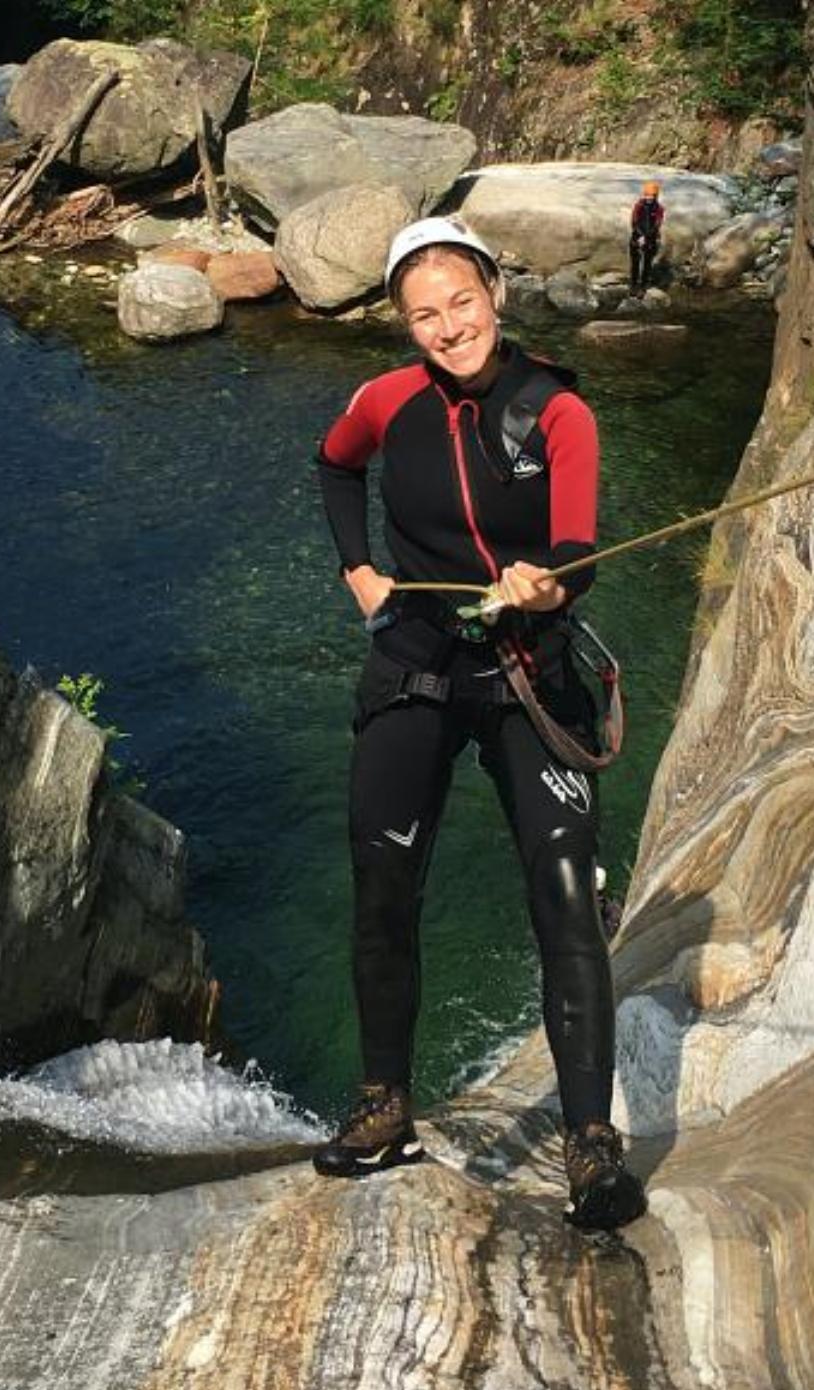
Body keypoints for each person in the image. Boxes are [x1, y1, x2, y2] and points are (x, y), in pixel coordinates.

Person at [308, 216, 645, 1232]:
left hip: (525, 666)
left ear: (495, 294)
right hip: (416, 656)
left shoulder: (555, 409)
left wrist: (548, 590)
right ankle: (384, 1107)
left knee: (564, 899)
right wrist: (358, 568)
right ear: (405, 325)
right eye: (425, 314)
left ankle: (590, 1143)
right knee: (383, 878)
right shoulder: (387, 401)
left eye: (461, 302)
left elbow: (577, 545)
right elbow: (332, 465)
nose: (448, 326)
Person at [629, 179, 665, 291]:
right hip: (637, 237)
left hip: (650, 239)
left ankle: (643, 286)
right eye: (647, 195)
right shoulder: (638, 205)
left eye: (652, 195)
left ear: (656, 196)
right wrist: (640, 236)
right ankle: (634, 285)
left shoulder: (659, 208)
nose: (649, 198)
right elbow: (634, 222)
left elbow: (657, 225)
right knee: (635, 263)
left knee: (647, 263)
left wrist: (647, 237)